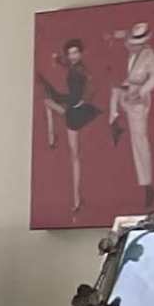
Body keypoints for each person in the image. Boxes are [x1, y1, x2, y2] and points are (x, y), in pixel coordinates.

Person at [39, 33, 101, 219]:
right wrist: (59, 60)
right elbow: (71, 66)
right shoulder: (74, 66)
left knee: (75, 155)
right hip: (72, 105)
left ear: (81, 53)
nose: (73, 56)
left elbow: (91, 82)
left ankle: (76, 198)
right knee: (48, 101)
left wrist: (84, 100)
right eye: (70, 53)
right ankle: (51, 136)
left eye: (76, 52)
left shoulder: (81, 70)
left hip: (75, 109)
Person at [112, 19, 154, 209]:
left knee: (139, 139)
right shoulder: (132, 50)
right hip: (125, 93)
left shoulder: (148, 55)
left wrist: (142, 90)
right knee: (114, 100)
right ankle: (115, 122)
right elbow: (121, 36)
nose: (132, 46)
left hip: (137, 99)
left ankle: (147, 184)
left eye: (136, 43)